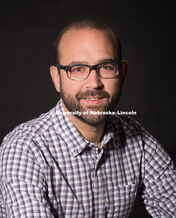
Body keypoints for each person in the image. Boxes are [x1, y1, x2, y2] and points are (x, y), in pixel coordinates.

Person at [0, 18, 176, 218]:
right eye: (77, 69)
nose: (94, 84)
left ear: (123, 74)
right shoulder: (25, 148)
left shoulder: (137, 140)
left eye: (106, 67)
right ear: (57, 78)